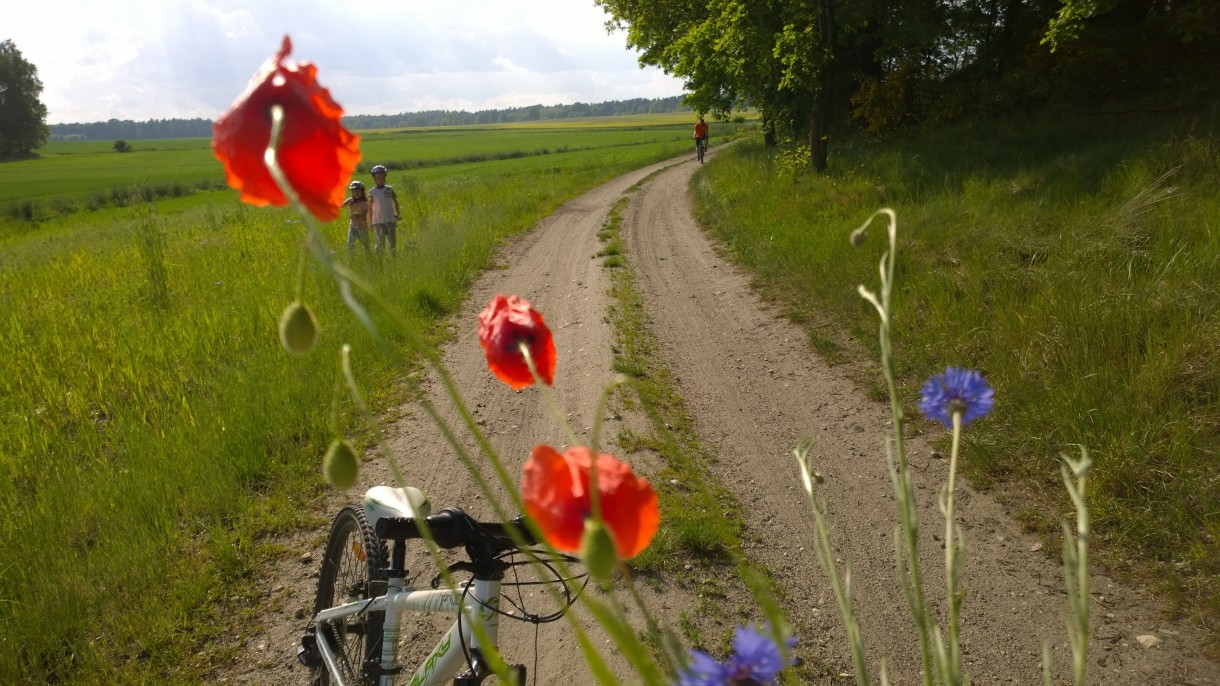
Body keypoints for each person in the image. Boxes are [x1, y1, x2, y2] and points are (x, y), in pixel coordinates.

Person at [368, 164, 401, 256]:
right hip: (377, 221)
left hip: (390, 220)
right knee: (379, 243)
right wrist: (370, 222)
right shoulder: (372, 192)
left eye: (382, 178)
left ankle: (393, 258)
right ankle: (379, 260)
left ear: (385, 178)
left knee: (392, 242)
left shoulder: (389, 189)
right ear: (374, 178)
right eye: (378, 178)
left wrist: (398, 214)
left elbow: (395, 202)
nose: (380, 180)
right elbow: (370, 208)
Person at [340, 180, 372, 258]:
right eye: (354, 191)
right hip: (353, 226)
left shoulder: (365, 203)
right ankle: (351, 259)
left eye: (358, 191)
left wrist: (359, 216)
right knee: (350, 243)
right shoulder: (351, 201)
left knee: (365, 244)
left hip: (362, 227)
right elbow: (341, 205)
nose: (356, 193)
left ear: (362, 192)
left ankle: (369, 258)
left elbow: (364, 216)